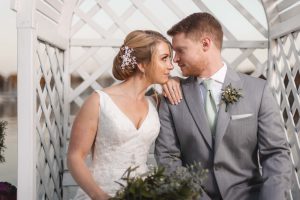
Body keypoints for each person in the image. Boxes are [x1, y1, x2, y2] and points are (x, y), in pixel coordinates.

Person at [155, 12, 292, 200]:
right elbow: (167, 158)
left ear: (205, 44)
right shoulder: (172, 96)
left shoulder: (258, 91)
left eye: (180, 50)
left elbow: (275, 154)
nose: (175, 59)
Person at [67, 30, 173, 200]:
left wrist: (175, 81)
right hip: (100, 193)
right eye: (164, 58)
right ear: (142, 65)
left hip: (143, 193)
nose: (171, 66)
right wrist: (101, 196)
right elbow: (75, 157)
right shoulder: (99, 101)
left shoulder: (156, 102)